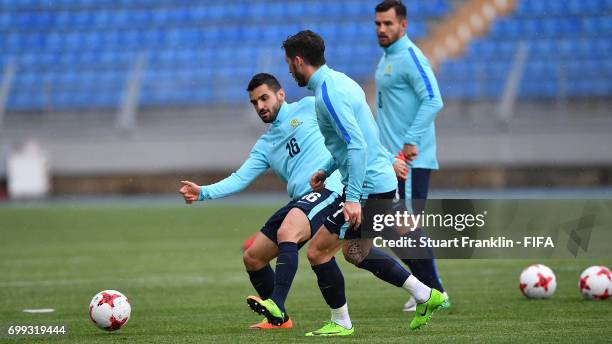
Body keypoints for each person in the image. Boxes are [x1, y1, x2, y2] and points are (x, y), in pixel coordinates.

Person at [279, 30, 445, 336]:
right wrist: (328, 169)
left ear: (299, 61)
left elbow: (356, 145)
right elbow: (361, 136)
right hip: (377, 180)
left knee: (318, 252)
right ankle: (426, 294)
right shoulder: (340, 82)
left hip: (366, 187)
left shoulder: (328, 94)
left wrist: (352, 198)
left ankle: (341, 322)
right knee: (356, 252)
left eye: (289, 63)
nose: (288, 70)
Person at [179, 73, 344, 330]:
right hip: (302, 201)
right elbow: (240, 178)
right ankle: (279, 320)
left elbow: (349, 124)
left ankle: (276, 302)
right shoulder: (266, 144)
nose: (260, 107)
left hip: (330, 191)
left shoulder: (309, 107)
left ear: (281, 95)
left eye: (264, 98)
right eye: (255, 102)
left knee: (291, 232)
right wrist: (203, 192)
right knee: (253, 258)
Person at [374, 0, 449, 312]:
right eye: (378, 23)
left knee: (402, 228)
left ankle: (434, 292)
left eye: (388, 24)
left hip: (409, 161)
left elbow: (433, 100)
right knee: (390, 228)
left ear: (402, 25)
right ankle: (426, 288)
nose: (381, 29)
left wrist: (410, 142)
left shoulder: (410, 56)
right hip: (391, 161)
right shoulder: (388, 57)